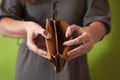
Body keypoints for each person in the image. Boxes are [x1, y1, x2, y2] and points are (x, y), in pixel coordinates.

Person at [0, 0, 111, 80]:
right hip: (31, 64)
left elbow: (100, 18)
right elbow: (2, 24)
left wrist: (91, 32)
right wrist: (27, 27)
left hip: (73, 65)